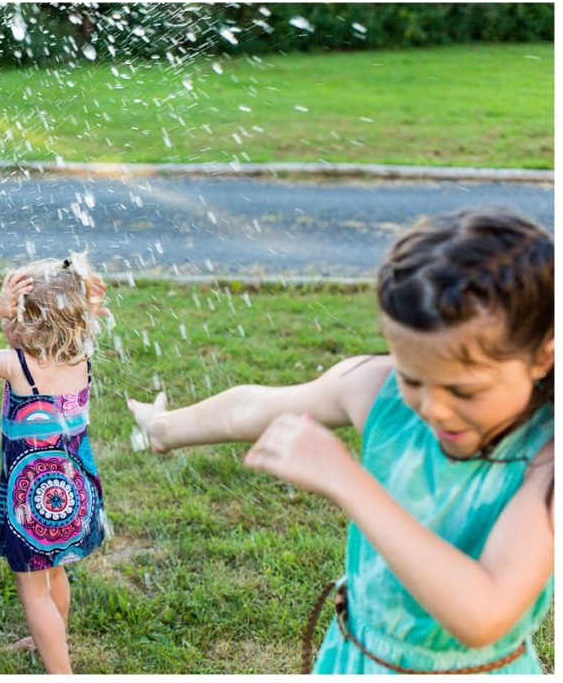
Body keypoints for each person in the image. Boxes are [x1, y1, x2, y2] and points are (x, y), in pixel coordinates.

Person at [129, 208, 554, 674]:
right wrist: (165, 429)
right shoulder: (377, 389)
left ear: (542, 355)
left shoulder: (546, 456)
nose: (433, 408)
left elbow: (483, 614)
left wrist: (347, 480)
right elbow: (252, 408)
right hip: (355, 660)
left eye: (463, 390)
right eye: (414, 379)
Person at [0, 255, 109, 674]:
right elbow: (72, 318)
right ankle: (50, 637)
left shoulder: (18, 365)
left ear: (24, 324)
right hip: (75, 493)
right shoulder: (80, 358)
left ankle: (60, 672)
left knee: (33, 590)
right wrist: (83, 303)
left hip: (32, 500)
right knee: (55, 573)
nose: (4, 323)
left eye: (10, 315)